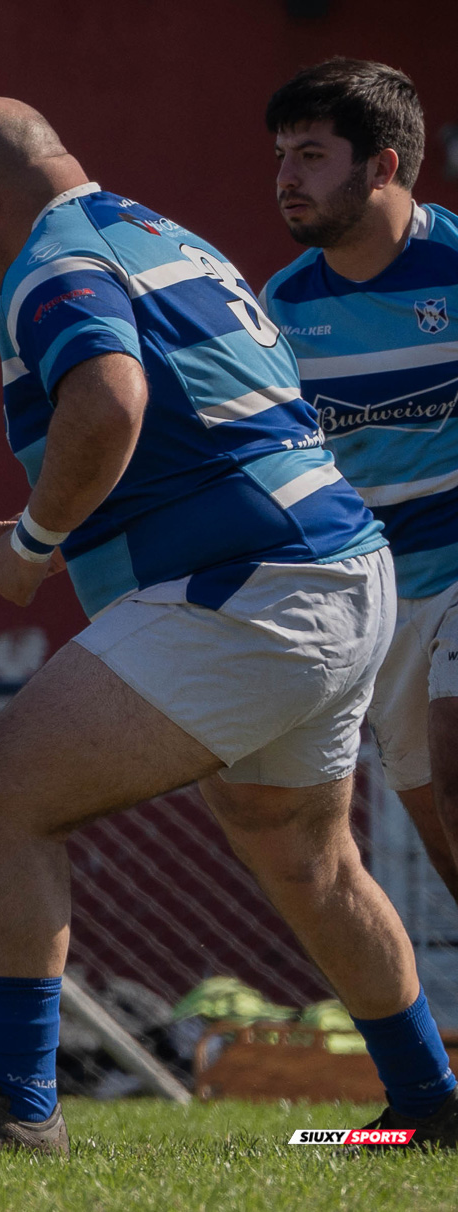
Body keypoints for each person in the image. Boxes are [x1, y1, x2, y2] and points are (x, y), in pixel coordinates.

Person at [0, 100, 456, 1155]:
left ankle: (16, 1108)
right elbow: (207, 418)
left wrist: (37, 544)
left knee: (6, 795)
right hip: (341, 569)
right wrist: (74, 518)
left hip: (254, 590)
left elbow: (110, 399)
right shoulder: (158, 232)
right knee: (307, 858)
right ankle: (431, 1105)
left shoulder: (50, 260)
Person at [260, 60, 458, 908]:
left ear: (382, 166)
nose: (284, 178)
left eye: (310, 154)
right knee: (442, 833)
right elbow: (259, 456)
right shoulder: (281, 305)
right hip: (376, 600)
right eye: (280, 156)